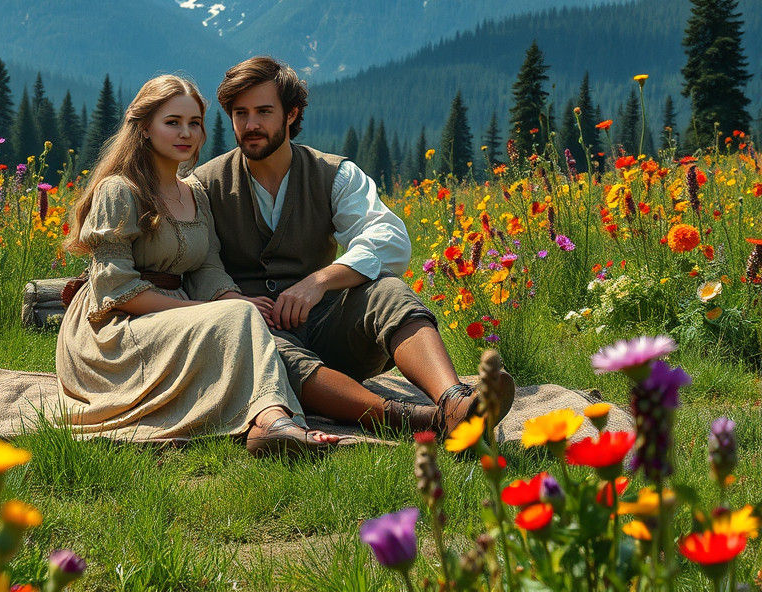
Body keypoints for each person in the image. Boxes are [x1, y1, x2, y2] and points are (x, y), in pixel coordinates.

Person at [194, 57, 515, 436]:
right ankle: (417, 419)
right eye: (240, 113)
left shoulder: (333, 174)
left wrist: (320, 281)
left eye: (264, 111)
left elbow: (390, 239)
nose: (251, 125)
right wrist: (233, 299)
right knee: (267, 350)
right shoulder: (204, 184)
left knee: (389, 290)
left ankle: (455, 401)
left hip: (330, 327)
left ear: (291, 113)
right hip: (258, 336)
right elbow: (199, 262)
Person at [56, 74, 338, 456]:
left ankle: (270, 422)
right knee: (234, 316)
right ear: (143, 128)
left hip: (171, 315)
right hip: (112, 331)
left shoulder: (195, 193)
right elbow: (115, 290)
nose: (186, 133)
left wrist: (229, 297)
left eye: (195, 123)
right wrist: (210, 309)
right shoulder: (120, 190)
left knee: (240, 312)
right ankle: (273, 422)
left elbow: (207, 266)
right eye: (172, 122)